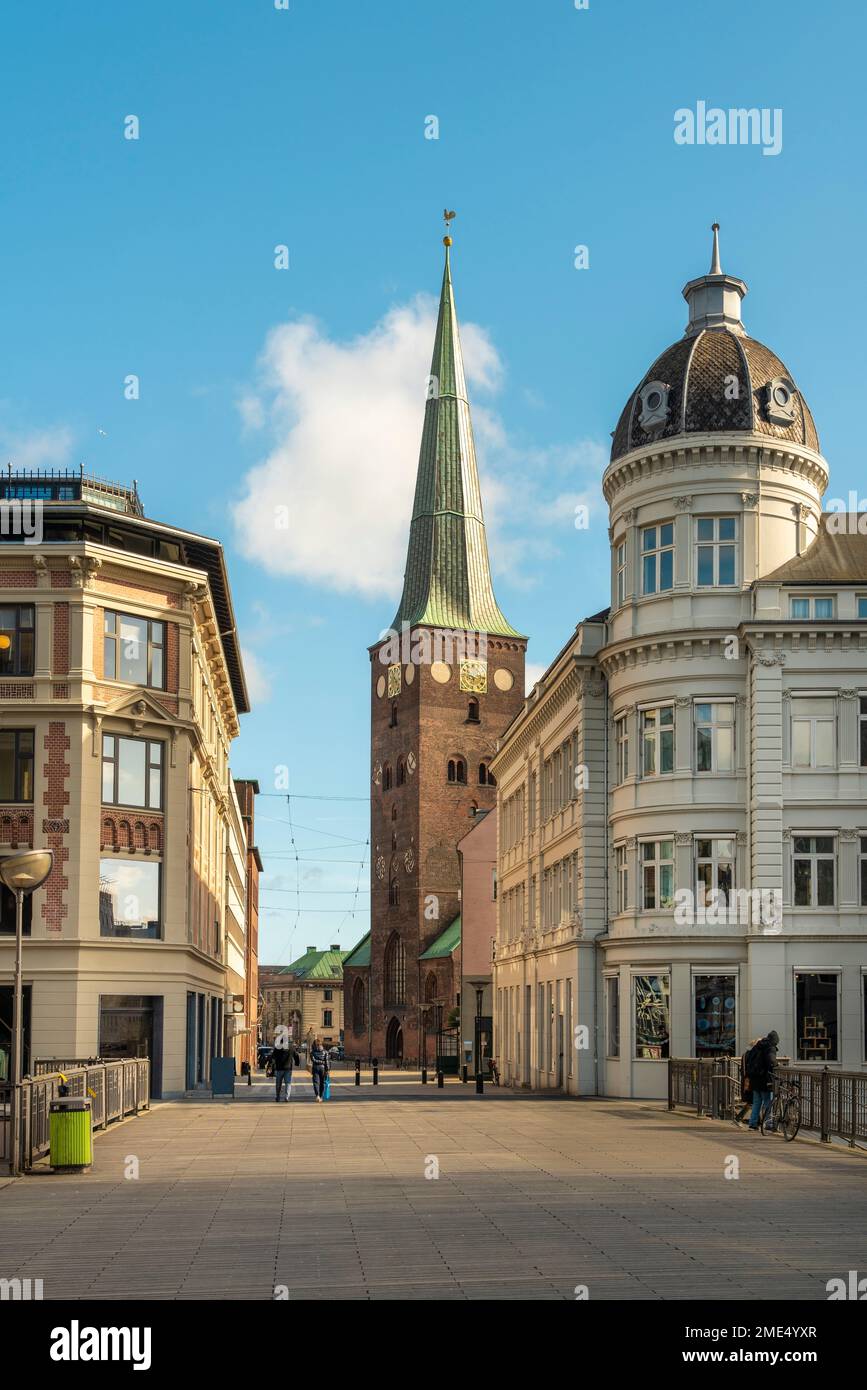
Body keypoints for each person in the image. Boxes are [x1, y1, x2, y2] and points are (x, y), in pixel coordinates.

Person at [746, 1030, 779, 1131]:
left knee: (756, 1102)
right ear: (775, 1041)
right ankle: (767, 1123)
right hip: (765, 1079)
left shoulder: (757, 1046)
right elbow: (771, 1061)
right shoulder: (770, 1047)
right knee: (767, 1102)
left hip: (755, 1079)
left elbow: (749, 1060)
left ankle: (752, 1123)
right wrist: (776, 1066)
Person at [310, 1036, 330, 1102]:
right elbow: (326, 1062)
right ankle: (321, 1097)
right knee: (322, 1083)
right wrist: (327, 1070)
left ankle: (317, 1096)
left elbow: (313, 1060)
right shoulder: (325, 1052)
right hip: (323, 1068)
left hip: (315, 1068)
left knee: (315, 1082)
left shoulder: (312, 1052)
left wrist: (320, 1062)